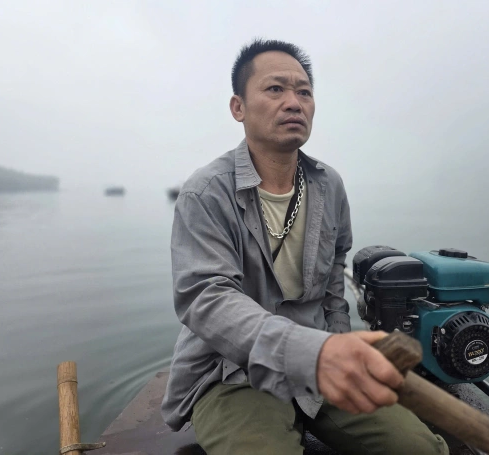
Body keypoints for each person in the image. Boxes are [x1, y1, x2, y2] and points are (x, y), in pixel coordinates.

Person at [161, 38, 448, 455]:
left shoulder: (329, 186)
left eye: (304, 92)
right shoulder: (205, 193)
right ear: (238, 107)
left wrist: (337, 347)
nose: (294, 102)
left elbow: (333, 282)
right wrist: (315, 354)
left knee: (420, 449)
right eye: (275, 89)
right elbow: (206, 298)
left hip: (322, 361)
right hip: (233, 372)